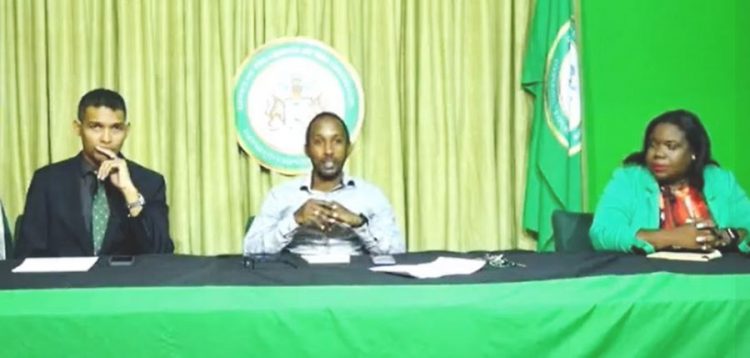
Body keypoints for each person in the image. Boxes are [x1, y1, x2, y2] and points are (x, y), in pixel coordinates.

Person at [15, 88, 174, 258]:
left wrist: (130, 192)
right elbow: (28, 255)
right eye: (96, 127)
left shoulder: (149, 182)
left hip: (124, 283)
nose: (106, 139)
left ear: (126, 131)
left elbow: (161, 254)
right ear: (78, 128)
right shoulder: (48, 181)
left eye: (116, 128)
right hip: (64, 283)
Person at [590, 109, 750, 254]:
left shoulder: (720, 180)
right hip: (648, 279)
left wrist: (728, 236)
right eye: (653, 145)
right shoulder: (630, 180)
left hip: (716, 278)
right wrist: (671, 237)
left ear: (693, 152)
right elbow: (603, 234)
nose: (658, 154)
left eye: (670, 146)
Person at [244, 112, 404, 255]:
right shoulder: (280, 196)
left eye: (337, 141)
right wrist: (295, 220)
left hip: (354, 282)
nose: (328, 151)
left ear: (348, 149)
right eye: (319, 142)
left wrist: (359, 223)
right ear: (307, 150)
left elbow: (397, 250)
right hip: (297, 282)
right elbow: (251, 249)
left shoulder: (371, 195)